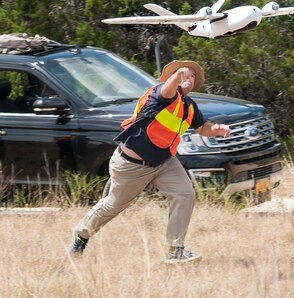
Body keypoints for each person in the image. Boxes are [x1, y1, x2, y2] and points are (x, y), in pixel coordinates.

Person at [69, 60, 230, 264]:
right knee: (113, 206)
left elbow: (202, 127)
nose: (187, 78)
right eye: (183, 74)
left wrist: (215, 129)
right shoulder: (161, 94)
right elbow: (169, 88)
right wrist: (177, 77)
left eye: (192, 76)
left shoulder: (189, 106)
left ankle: (175, 251)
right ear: (173, 77)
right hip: (132, 165)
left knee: (185, 194)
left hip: (163, 162)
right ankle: (80, 235)